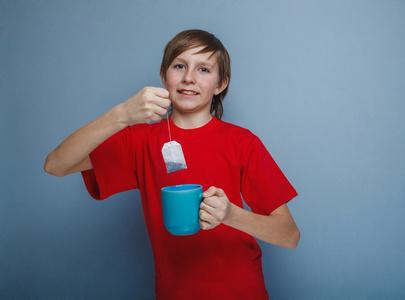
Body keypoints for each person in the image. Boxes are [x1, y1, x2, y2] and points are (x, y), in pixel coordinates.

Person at [44, 29, 300, 299]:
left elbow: (289, 236)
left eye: (203, 69)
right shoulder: (139, 140)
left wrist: (231, 216)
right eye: (180, 66)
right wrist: (120, 116)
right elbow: (55, 164)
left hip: (242, 291)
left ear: (220, 84)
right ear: (164, 75)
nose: (189, 77)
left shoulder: (243, 143)